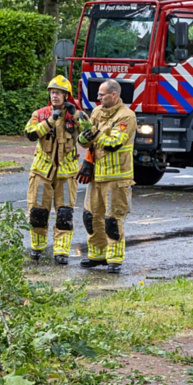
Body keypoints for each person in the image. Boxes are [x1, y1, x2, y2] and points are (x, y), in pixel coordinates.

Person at [24, 76, 88, 264]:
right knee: (38, 213)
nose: (54, 96)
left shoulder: (76, 114)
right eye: (52, 92)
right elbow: (30, 133)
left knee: (64, 215)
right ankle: (37, 248)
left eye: (58, 93)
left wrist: (76, 116)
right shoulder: (41, 114)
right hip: (42, 172)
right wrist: (50, 121)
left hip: (66, 174)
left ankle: (61, 251)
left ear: (66, 95)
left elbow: (90, 134)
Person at [77, 79, 136, 274]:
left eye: (101, 95)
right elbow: (88, 142)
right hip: (96, 177)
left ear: (114, 95)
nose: (97, 98)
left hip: (117, 178)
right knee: (91, 217)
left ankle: (115, 259)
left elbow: (115, 142)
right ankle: (97, 256)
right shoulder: (96, 112)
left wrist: (95, 133)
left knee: (112, 220)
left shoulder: (126, 116)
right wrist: (83, 139)